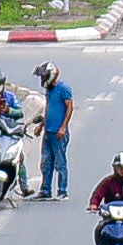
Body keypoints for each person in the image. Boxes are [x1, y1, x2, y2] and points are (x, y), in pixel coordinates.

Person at [34, 63, 73, 206]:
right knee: (46, 162)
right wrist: (41, 125)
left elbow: (69, 108)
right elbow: (48, 109)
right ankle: (45, 190)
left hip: (58, 133)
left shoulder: (64, 89)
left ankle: (62, 191)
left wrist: (63, 127)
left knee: (60, 162)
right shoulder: (49, 91)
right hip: (48, 131)